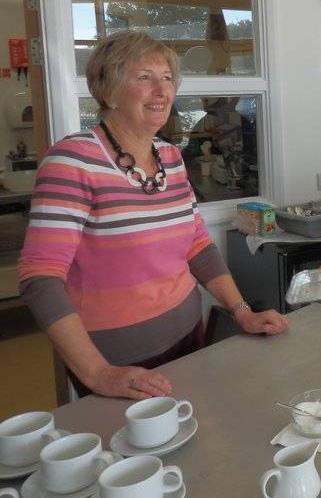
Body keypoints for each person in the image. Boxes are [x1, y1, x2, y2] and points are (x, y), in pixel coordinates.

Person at [18, 31, 288, 400]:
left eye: (167, 79)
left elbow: (198, 246)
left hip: (188, 336)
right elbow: (40, 277)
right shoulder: (73, 160)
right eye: (144, 78)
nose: (161, 91)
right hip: (117, 359)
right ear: (108, 92)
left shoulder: (171, 158)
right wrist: (97, 372)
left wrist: (242, 312)